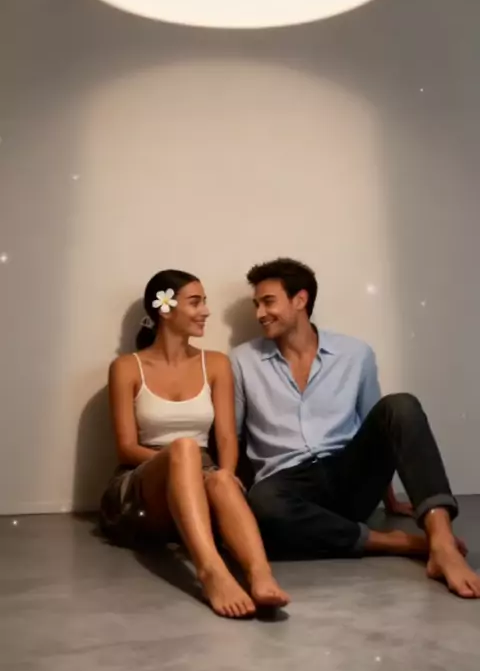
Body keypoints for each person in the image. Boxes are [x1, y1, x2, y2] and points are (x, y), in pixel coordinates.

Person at [231, 258, 480, 599]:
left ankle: (442, 543)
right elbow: (232, 434)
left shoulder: (355, 353)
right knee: (262, 502)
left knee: (400, 405)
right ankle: (395, 543)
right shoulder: (242, 361)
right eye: (256, 304)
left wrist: (390, 499)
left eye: (268, 302)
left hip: (348, 475)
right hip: (287, 486)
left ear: (300, 300)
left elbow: (378, 424)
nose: (260, 313)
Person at [99, 269, 290, 618]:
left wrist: (226, 473)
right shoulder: (127, 367)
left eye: (205, 302)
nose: (205, 311)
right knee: (185, 448)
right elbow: (125, 447)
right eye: (195, 302)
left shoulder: (215, 363)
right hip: (141, 485)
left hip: (199, 474)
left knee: (220, 479)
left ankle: (260, 575)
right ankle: (211, 571)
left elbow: (226, 435)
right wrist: (180, 461)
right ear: (165, 309)